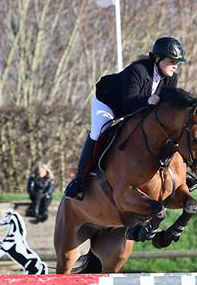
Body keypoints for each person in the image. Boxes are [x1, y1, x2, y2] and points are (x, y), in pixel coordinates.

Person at [63, 36, 186, 200]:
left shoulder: (172, 78)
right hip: (109, 103)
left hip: (139, 109)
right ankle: (79, 179)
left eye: (177, 62)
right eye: (171, 61)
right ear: (158, 59)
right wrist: (147, 101)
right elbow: (128, 104)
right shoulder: (138, 70)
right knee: (99, 131)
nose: (175, 66)